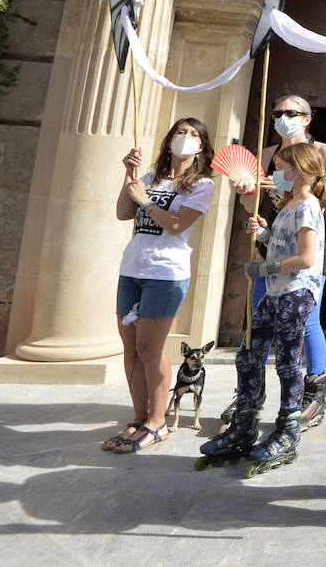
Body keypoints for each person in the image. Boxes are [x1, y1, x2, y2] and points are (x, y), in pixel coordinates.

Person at [200, 142, 326, 468]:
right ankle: (245, 424)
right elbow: (281, 242)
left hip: (296, 292)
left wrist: (264, 268)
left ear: (299, 170)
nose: (273, 174)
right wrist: (262, 234)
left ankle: (287, 431)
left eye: (279, 167)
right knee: (249, 354)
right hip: (276, 293)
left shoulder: (308, 207)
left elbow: (305, 256)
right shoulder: (289, 205)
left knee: (288, 363)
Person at [105, 118, 216, 454]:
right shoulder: (150, 178)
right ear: (169, 141)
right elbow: (124, 212)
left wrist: (146, 202)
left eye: (194, 135)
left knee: (151, 349)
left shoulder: (201, 185)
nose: (186, 138)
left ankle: (158, 421)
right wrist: (130, 176)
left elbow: (177, 223)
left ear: (201, 148)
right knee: (131, 348)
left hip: (166, 275)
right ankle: (139, 418)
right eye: (181, 132)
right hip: (132, 270)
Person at [239, 94, 326, 430]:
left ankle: (314, 393)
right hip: (273, 237)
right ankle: (250, 395)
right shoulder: (267, 154)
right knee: (259, 319)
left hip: (308, 237)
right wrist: (244, 189)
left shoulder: (322, 151)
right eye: (278, 112)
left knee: (306, 319)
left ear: (307, 118)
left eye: (291, 112)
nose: (283, 117)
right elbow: (251, 206)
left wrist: (299, 185)